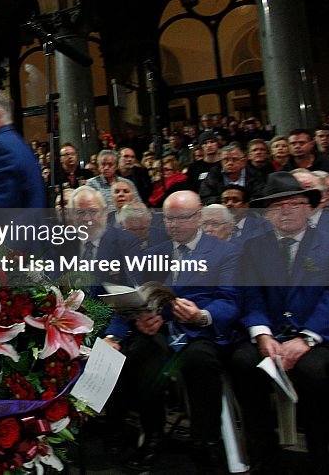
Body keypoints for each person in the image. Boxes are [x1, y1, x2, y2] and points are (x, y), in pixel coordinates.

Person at [102, 191, 240, 472]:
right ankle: (153, 435)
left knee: (200, 360)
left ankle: (206, 440)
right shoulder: (152, 254)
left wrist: (202, 315)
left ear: (199, 217)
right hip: (161, 330)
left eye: (182, 218)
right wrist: (138, 320)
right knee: (139, 354)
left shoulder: (225, 252)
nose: (174, 225)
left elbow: (230, 300)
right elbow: (133, 297)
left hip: (200, 331)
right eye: (168, 219)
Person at [230, 172, 329, 474]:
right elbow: (251, 297)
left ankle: (320, 457)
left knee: (314, 370)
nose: (286, 211)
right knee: (243, 361)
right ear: (267, 214)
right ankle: (263, 455)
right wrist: (262, 335)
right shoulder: (254, 247)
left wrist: (306, 338)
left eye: (295, 204)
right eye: (278, 206)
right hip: (273, 336)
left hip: (321, 336)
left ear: (308, 208)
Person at [283, 128, 329, 203]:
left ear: (312, 144)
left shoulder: (328, 165)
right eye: (293, 143)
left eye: (301, 143)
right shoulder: (284, 170)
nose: (297, 146)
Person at [198, 143, 266, 205]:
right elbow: (206, 197)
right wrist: (225, 202)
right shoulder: (213, 175)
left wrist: (242, 204)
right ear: (221, 161)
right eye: (226, 160)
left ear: (243, 162)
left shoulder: (256, 175)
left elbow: (259, 197)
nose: (230, 163)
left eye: (234, 159)